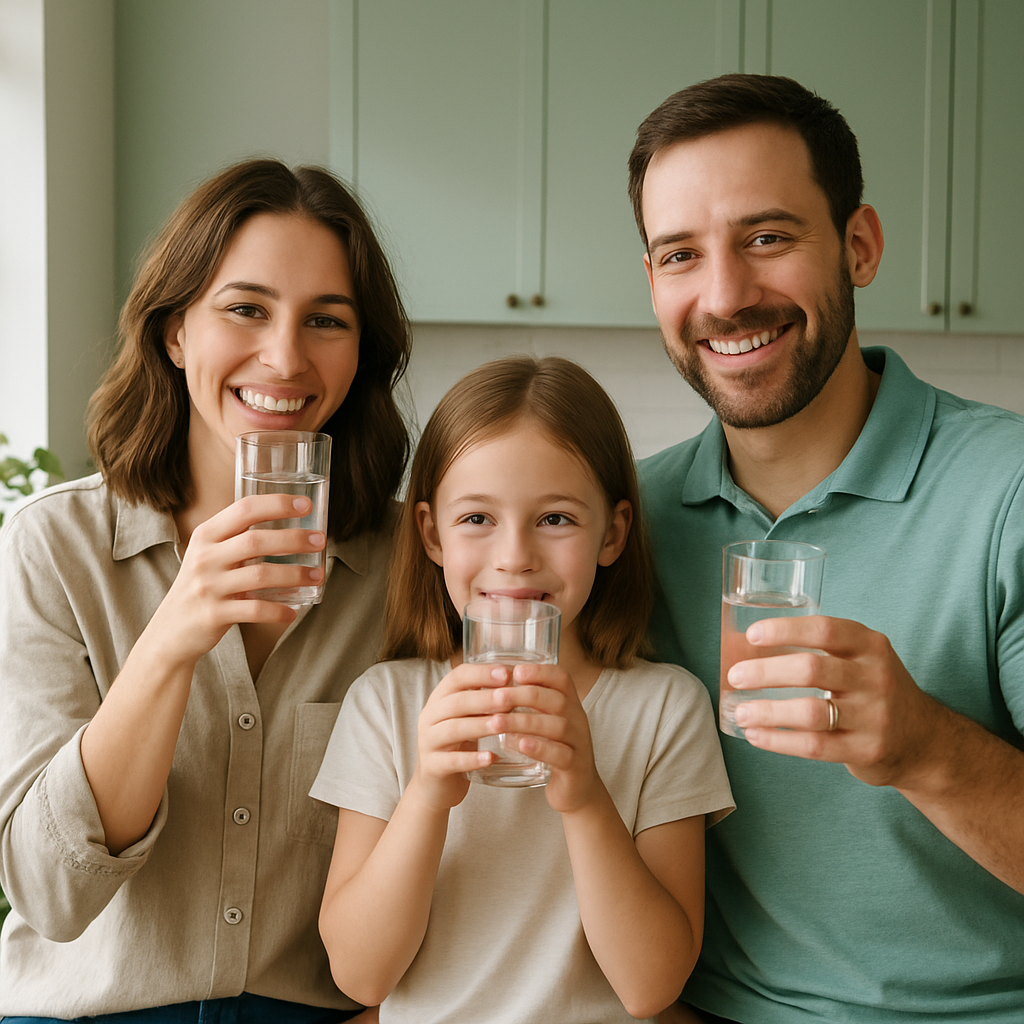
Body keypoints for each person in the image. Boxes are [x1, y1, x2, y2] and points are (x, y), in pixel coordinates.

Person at [628, 73, 1024, 1023]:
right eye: (680, 254)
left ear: (859, 245)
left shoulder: (1007, 492)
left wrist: (928, 748)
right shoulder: (626, 523)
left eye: (767, 238)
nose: (724, 296)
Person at [0, 159, 411, 1021]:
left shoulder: (414, 564)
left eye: (326, 321)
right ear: (175, 330)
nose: (286, 356)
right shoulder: (54, 548)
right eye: (246, 309)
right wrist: (172, 639)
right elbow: (50, 896)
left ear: (359, 351)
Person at [310, 356, 734, 1024]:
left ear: (612, 533)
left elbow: (651, 987)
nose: (515, 555)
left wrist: (588, 801)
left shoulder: (665, 709)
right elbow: (362, 978)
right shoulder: (385, 704)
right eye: (477, 518)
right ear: (431, 534)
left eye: (556, 519)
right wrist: (425, 798)